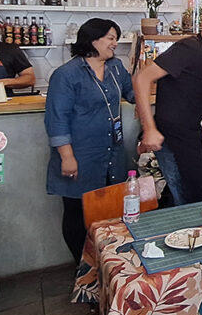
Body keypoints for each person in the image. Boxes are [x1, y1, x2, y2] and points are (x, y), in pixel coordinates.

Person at [133, 2, 202, 205]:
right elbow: (142, 78)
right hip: (172, 137)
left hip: (189, 135)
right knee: (187, 198)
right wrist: (149, 128)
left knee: (195, 195)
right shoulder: (188, 48)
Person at [44, 18, 135, 263]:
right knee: (77, 212)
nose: (115, 44)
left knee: (110, 210)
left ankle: (108, 264)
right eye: (111, 38)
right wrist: (67, 157)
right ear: (93, 40)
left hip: (112, 153)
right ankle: (82, 267)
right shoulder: (66, 74)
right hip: (80, 154)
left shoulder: (116, 68)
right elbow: (57, 119)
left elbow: (132, 92)